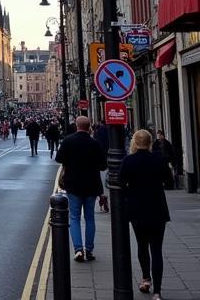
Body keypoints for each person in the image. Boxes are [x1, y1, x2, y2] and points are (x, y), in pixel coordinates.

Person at [120, 129, 174, 299]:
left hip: (137, 210)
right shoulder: (158, 158)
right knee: (156, 249)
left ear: (135, 142)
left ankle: (145, 280)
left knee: (142, 246)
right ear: (150, 142)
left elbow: (119, 183)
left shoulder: (129, 160)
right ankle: (157, 292)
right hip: (157, 209)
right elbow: (169, 181)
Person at [56, 115, 107, 263]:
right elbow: (103, 165)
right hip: (91, 186)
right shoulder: (94, 143)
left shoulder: (68, 141)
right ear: (89, 126)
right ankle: (89, 249)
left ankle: (78, 249)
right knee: (90, 217)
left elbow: (59, 159)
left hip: (73, 185)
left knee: (74, 217)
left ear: (76, 126)